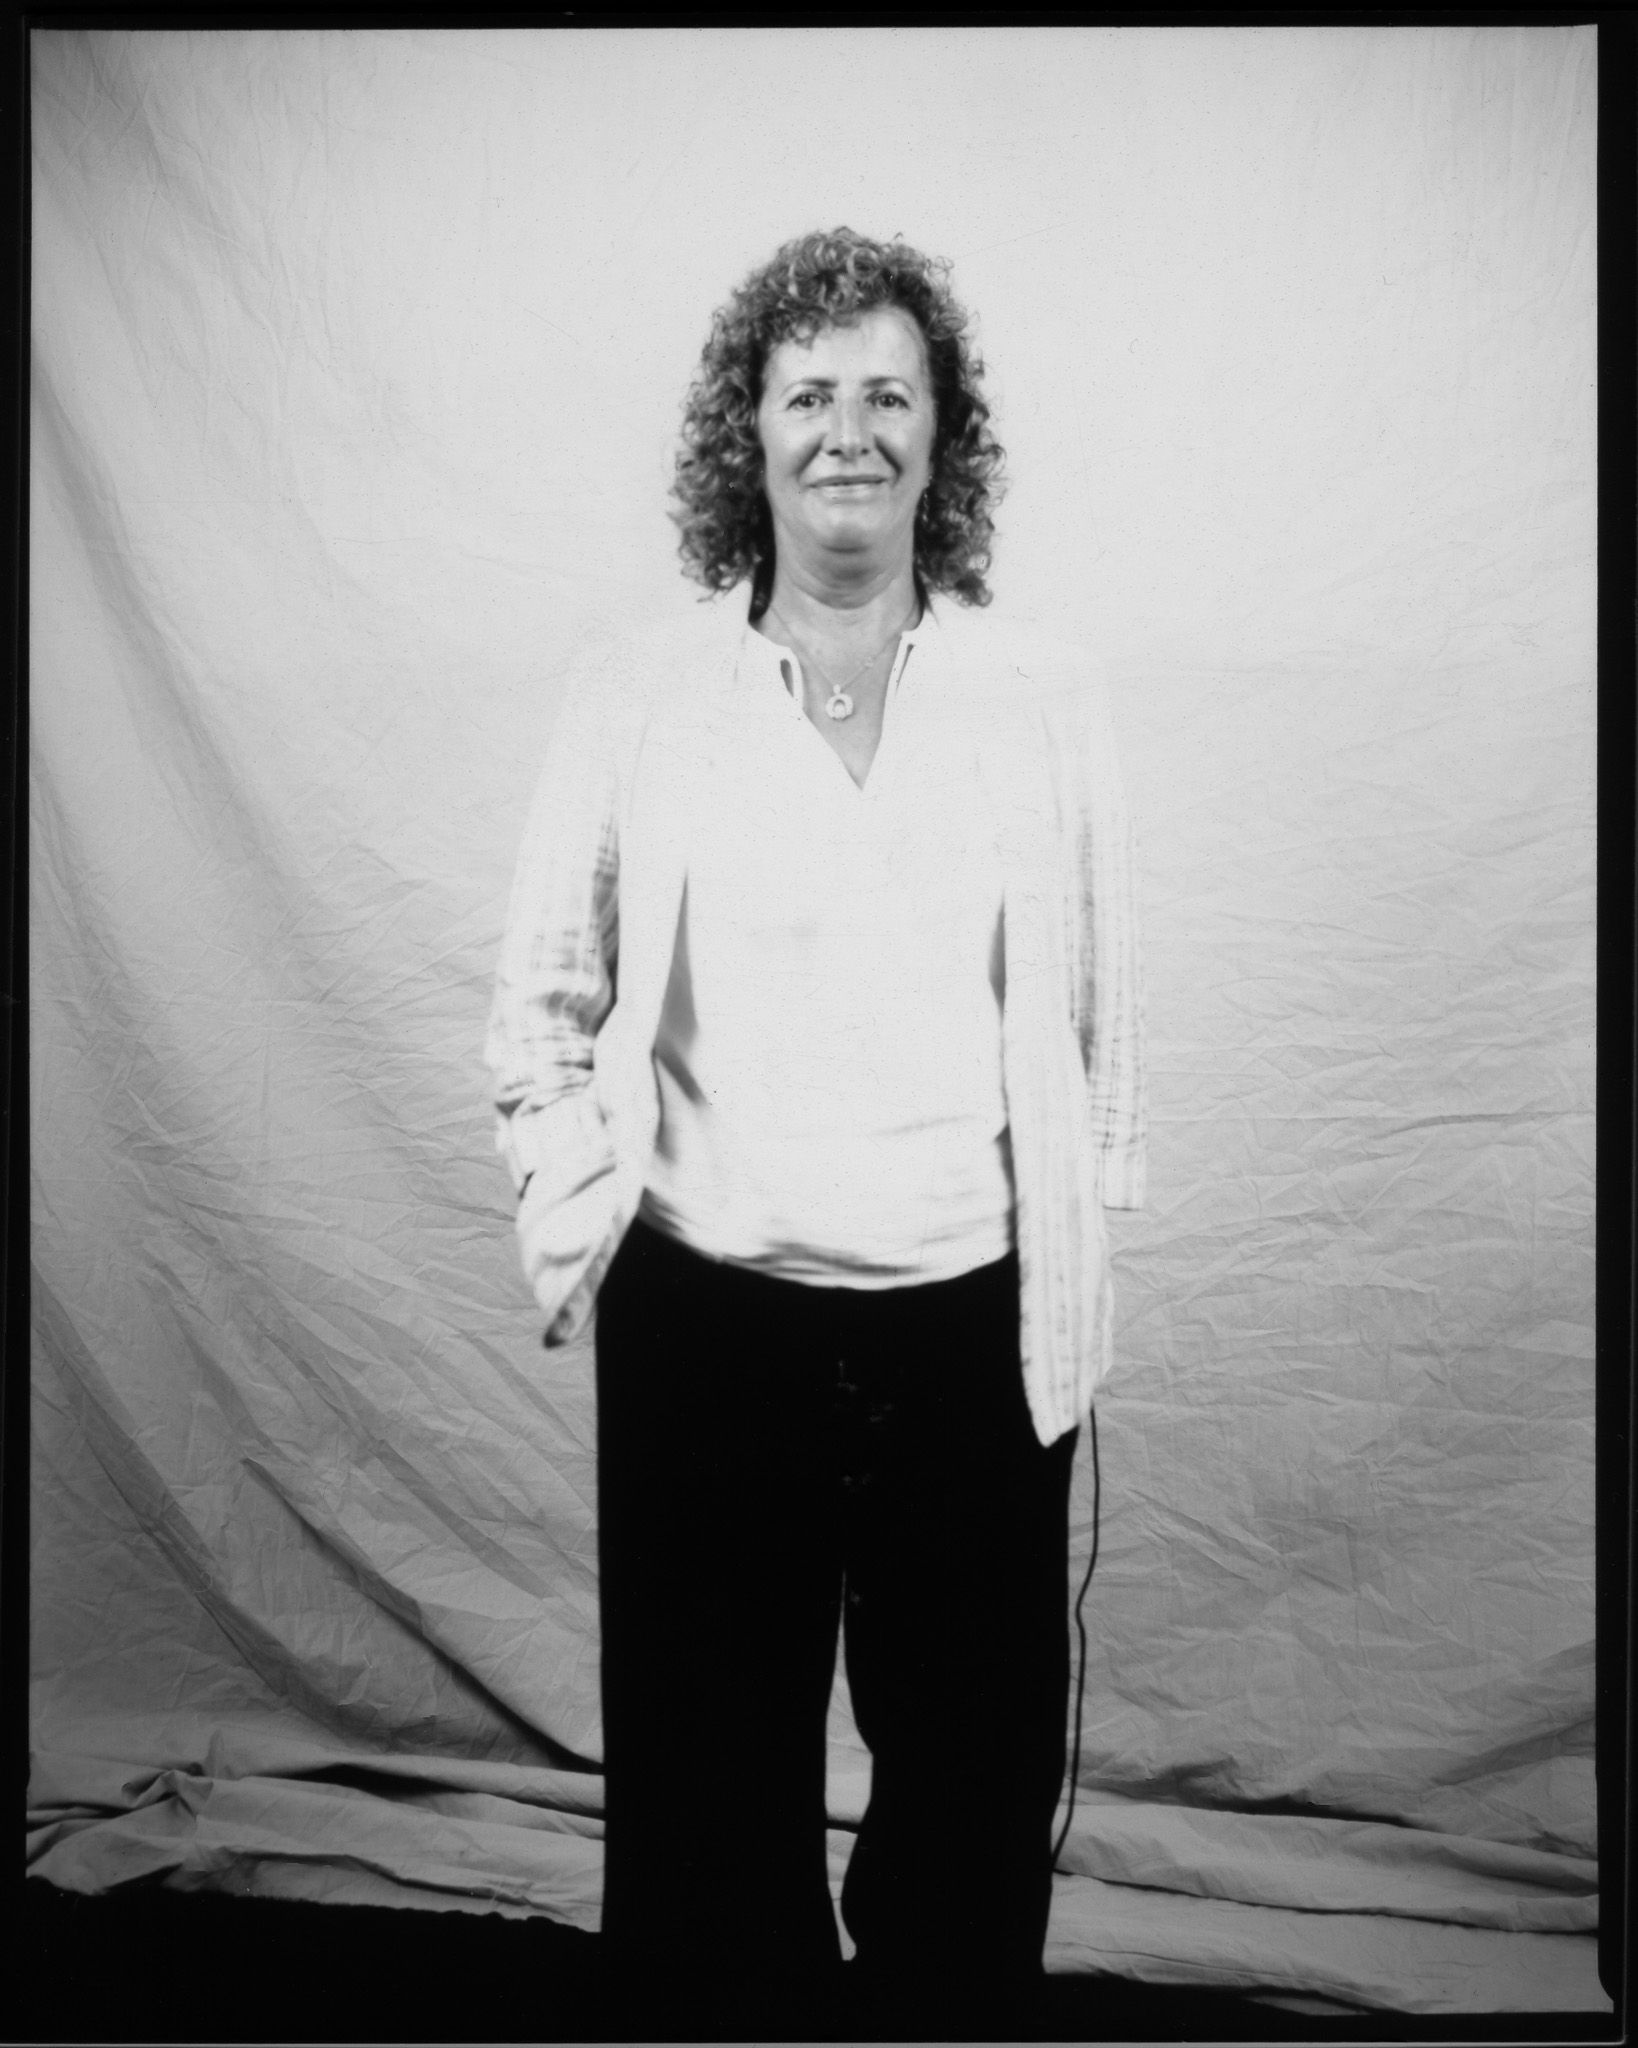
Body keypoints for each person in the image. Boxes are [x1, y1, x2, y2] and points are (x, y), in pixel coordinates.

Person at [486, 227, 1145, 2027]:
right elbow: (540, 1008)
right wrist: (585, 1198)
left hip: (968, 1328)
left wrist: (1075, 1256)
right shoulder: (641, 692)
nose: (844, 431)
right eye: (805, 394)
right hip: (711, 1321)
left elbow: (1098, 1033)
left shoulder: (1040, 698)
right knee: (708, 1821)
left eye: (885, 394)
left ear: (944, 438)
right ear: (746, 436)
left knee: (966, 1805)